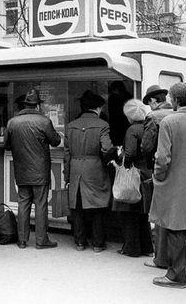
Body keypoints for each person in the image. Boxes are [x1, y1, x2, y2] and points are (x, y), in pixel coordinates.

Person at [150, 82, 186, 289]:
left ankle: (176, 276)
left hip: (173, 182)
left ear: (175, 100)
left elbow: (163, 157)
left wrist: (158, 176)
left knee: (175, 226)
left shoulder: (169, 122)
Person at [5, 89, 61, 249]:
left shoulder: (12, 122)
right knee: (41, 204)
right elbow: (56, 141)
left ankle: (22, 240)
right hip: (40, 170)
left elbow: (7, 145)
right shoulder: (44, 121)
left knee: (23, 204)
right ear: (38, 106)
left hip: (21, 169)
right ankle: (41, 240)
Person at [64, 91, 113, 252]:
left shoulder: (70, 126)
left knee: (77, 207)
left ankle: (79, 242)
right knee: (98, 206)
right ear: (98, 108)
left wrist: (67, 175)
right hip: (95, 169)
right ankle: (98, 244)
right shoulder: (103, 125)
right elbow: (106, 148)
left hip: (76, 169)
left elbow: (67, 155)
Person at [111, 99, 153, 257]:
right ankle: (148, 248)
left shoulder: (132, 130)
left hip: (134, 175)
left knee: (128, 212)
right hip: (147, 174)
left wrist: (121, 157)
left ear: (129, 116)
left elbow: (130, 154)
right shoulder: (148, 127)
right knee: (143, 215)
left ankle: (131, 248)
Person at [140, 85, 174, 270]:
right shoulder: (177, 113)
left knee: (160, 216)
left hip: (160, 170)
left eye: (150, 103)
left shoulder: (153, 117)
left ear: (153, 101)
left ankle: (160, 258)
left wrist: (150, 166)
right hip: (177, 171)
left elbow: (146, 146)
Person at [108, 81, 131, 146]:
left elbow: (112, 113)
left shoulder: (113, 98)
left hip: (115, 124)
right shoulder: (128, 96)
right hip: (126, 123)